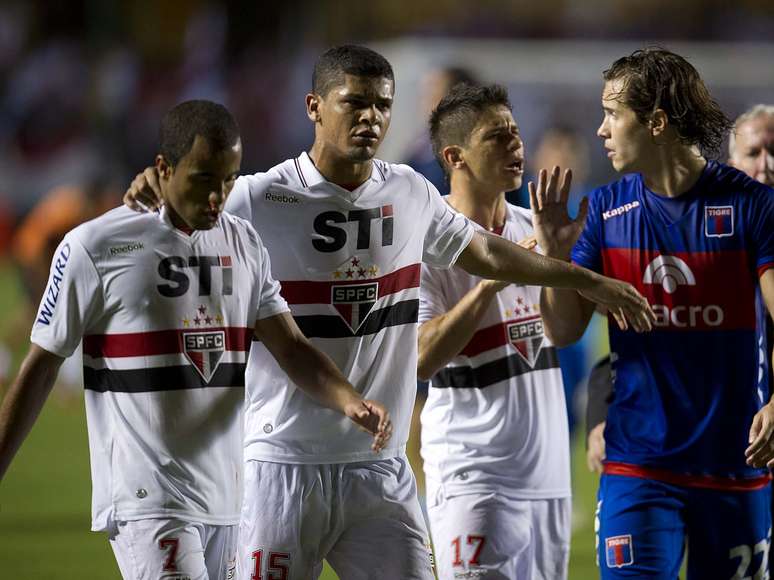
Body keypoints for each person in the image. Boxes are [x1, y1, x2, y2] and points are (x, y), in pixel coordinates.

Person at [125, 45, 654, 580]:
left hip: (380, 466)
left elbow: (490, 252)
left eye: (381, 105)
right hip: (283, 463)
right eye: (353, 103)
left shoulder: (407, 191)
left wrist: (590, 281)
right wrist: (153, 189)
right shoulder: (261, 197)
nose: (370, 117)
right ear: (313, 106)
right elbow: (173, 224)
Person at [0, 100, 391, 580]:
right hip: (147, 498)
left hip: (228, 499)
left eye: (228, 180)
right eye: (204, 179)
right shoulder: (95, 246)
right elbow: (40, 367)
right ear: (163, 168)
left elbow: (290, 347)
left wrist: (347, 399)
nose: (218, 196)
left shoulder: (244, 243)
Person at [537, 48, 774, 578]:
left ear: (657, 122)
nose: (601, 131)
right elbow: (562, 330)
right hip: (637, 465)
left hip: (736, 463)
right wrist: (555, 258)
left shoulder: (750, 205)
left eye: (612, 114)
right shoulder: (604, 210)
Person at [417, 83, 573, 579]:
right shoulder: (426, 243)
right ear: (454, 156)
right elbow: (420, 357)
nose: (516, 146)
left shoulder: (536, 226)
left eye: (516, 133)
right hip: (473, 478)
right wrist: (488, 285)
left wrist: (558, 259)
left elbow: (565, 332)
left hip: (548, 480)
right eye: (496, 137)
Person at [585, 103, 774, 474]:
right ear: (732, 167)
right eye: (754, 153)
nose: (766, 165)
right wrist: (600, 412)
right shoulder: (712, 246)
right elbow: (652, 344)